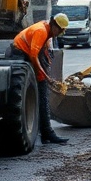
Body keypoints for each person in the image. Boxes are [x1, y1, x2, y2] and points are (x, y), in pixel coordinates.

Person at [6, 13, 70, 144]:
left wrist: (45, 75)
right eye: (60, 30)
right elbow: (34, 56)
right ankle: (46, 132)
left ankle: (46, 132)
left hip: (25, 53)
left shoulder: (47, 31)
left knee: (43, 93)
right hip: (19, 54)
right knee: (40, 93)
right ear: (54, 25)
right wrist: (45, 77)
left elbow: (43, 54)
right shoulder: (41, 31)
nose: (60, 33)